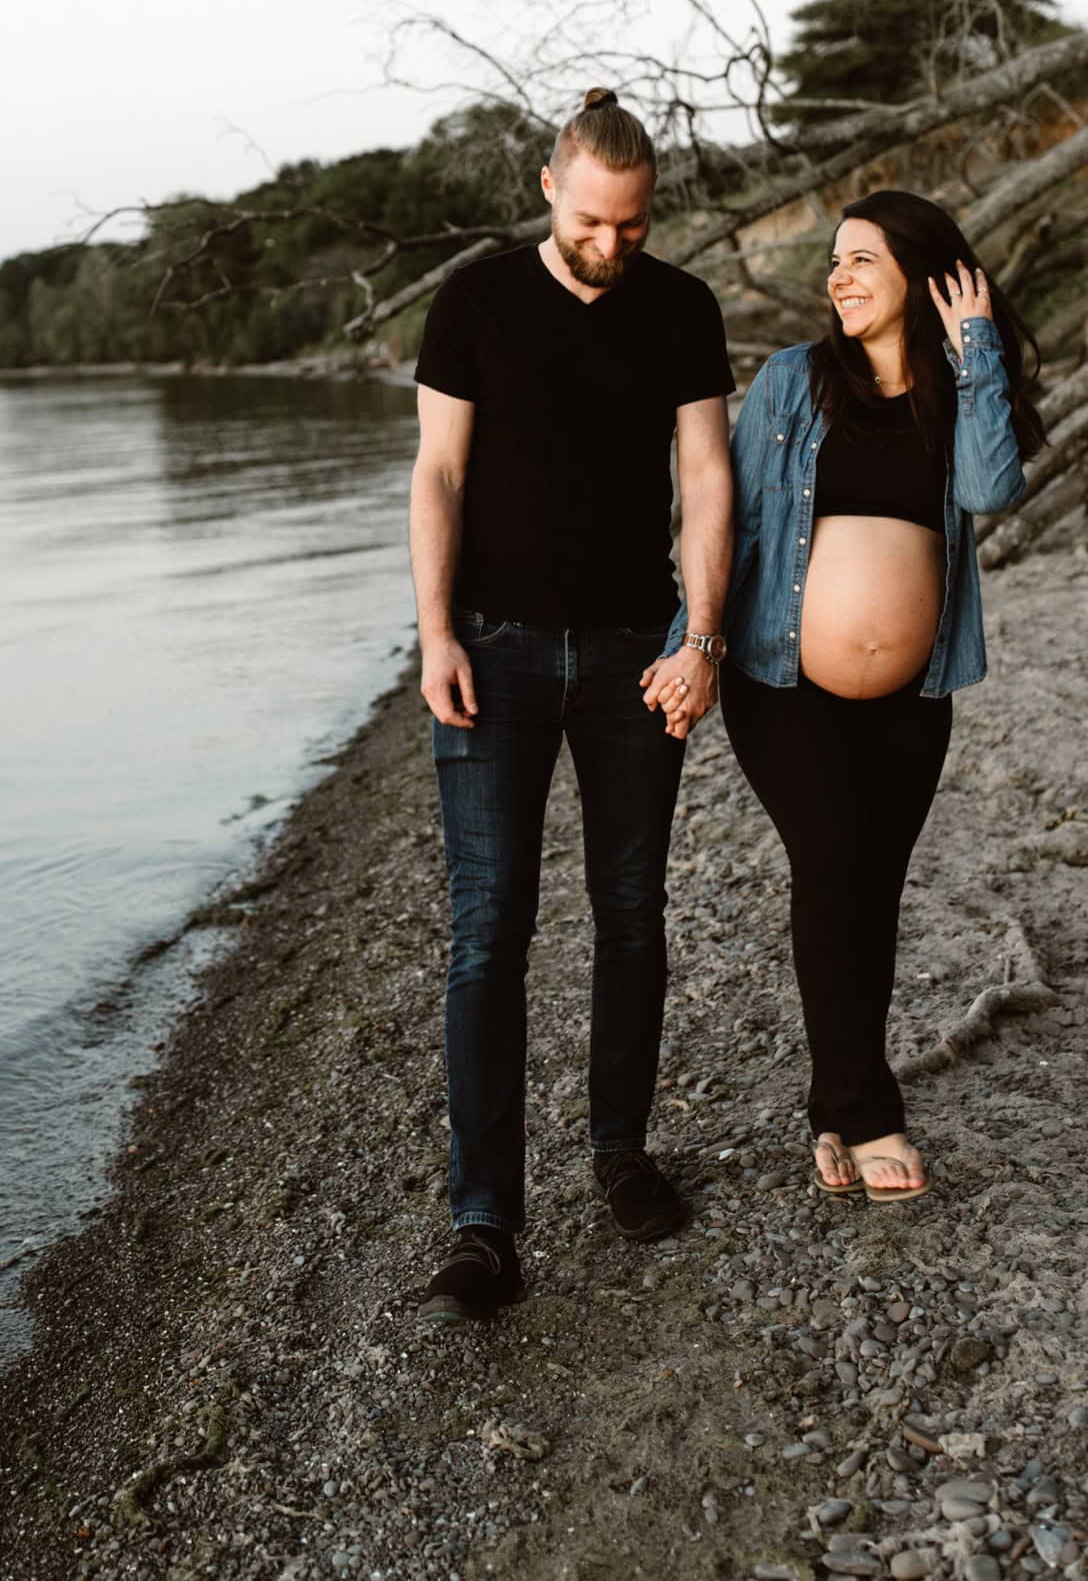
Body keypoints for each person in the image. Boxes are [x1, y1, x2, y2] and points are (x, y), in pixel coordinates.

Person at [408, 88, 736, 1325]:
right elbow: (438, 473)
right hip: (488, 649)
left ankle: (619, 1152)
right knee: (489, 928)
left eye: (635, 226)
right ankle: (484, 1220)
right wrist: (435, 631)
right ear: (551, 186)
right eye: (594, 221)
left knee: (634, 908)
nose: (612, 246)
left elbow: (705, 479)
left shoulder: (683, 309)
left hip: (629, 653)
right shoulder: (477, 301)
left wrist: (699, 639)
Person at [654, 191, 1040, 1203]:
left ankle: (837, 1101)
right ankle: (867, 1113)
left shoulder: (958, 393)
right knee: (834, 861)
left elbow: (994, 490)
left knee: (869, 889)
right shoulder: (793, 382)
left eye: (863, 259)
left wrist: (978, 347)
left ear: (923, 273)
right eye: (833, 262)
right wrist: (690, 649)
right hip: (782, 680)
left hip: (916, 696)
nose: (840, 278)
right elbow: (725, 524)